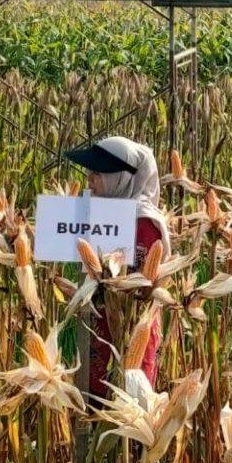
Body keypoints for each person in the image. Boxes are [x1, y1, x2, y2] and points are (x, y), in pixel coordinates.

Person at [64, 136, 166, 396]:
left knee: (126, 405)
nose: (89, 180)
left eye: (96, 174)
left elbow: (143, 285)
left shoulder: (143, 221)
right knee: (95, 402)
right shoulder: (97, 212)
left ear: (118, 178)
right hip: (100, 324)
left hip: (131, 331)